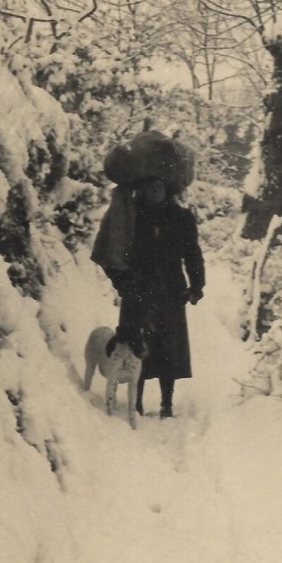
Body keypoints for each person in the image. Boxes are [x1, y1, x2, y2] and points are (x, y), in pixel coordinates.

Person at [95, 177, 205, 419]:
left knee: (170, 346)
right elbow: (111, 250)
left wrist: (197, 285)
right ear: (140, 189)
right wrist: (122, 283)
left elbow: (192, 253)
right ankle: (137, 403)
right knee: (137, 342)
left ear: (168, 189)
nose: (153, 192)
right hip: (138, 288)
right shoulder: (130, 216)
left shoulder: (182, 218)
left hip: (171, 289)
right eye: (148, 187)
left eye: (158, 186)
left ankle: (167, 403)